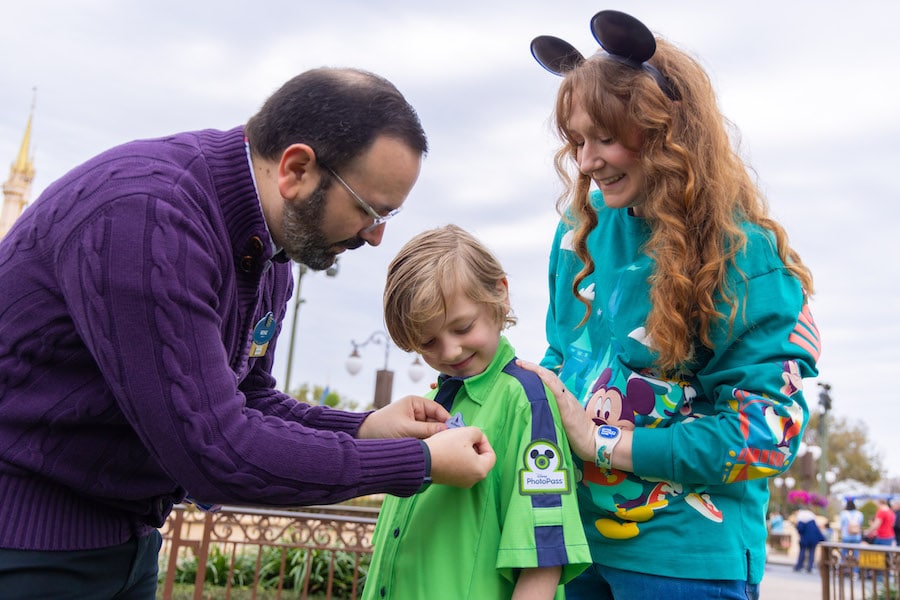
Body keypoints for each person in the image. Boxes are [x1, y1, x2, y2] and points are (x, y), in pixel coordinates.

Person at [0, 68, 497, 598]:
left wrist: (365, 427)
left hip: (127, 541)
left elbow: (248, 400)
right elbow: (215, 449)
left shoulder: (271, 253)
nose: (376, 237)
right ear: (297, 169)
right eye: (370, 210)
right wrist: (416, 463)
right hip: (27, 548)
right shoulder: (146, 219)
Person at [519, 9, 821, 599]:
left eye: (605, 138)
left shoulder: (748, 259)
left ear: (668, 131)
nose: (585, 163)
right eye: (578, 141)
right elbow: (565, 359)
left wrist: (602, 442)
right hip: (573, 549)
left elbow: (769, 430)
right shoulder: (577, 232)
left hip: (686, 565)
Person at [363, 224, 591, 599]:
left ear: (499, 293)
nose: (450, 352)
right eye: (428, 341)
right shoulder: (433, 402)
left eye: (462, 327)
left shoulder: (527, 401)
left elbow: (544, 554)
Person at [793, 507, 825, 573]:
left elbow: (800, 529)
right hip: (814, 538)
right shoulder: (811, 518)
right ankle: (810, 567)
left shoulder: (801, 517)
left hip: (805, 539)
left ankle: (799, 566)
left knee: (802, 552)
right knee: (812, 552)